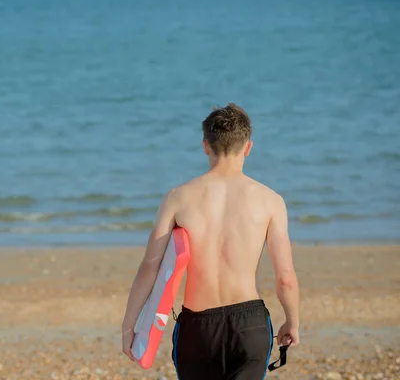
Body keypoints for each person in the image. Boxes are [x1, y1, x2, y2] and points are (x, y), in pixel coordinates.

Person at [121, 103, 300, 379]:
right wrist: (292, 321)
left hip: (197, 327)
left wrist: (129, 326)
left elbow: (150, 267)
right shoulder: (270, 201)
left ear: (206, 146)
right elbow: (285, 276)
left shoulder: (178, 198)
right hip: (250, 325)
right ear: (248, 147)